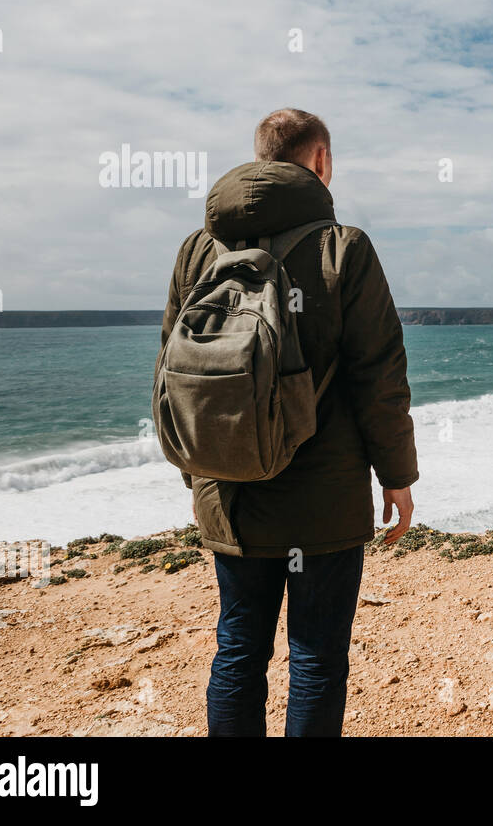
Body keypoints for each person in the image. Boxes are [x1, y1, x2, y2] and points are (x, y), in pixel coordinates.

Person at [160, 108, 418, 736]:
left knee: (239, 651)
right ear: (321, 161)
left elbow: (174, 364)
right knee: (317, 657)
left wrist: (196, 471)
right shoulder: (343, 247)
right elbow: (378, 374)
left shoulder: (199, 249)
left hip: (229, 489)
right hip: (323, 498)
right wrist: (398, 476)